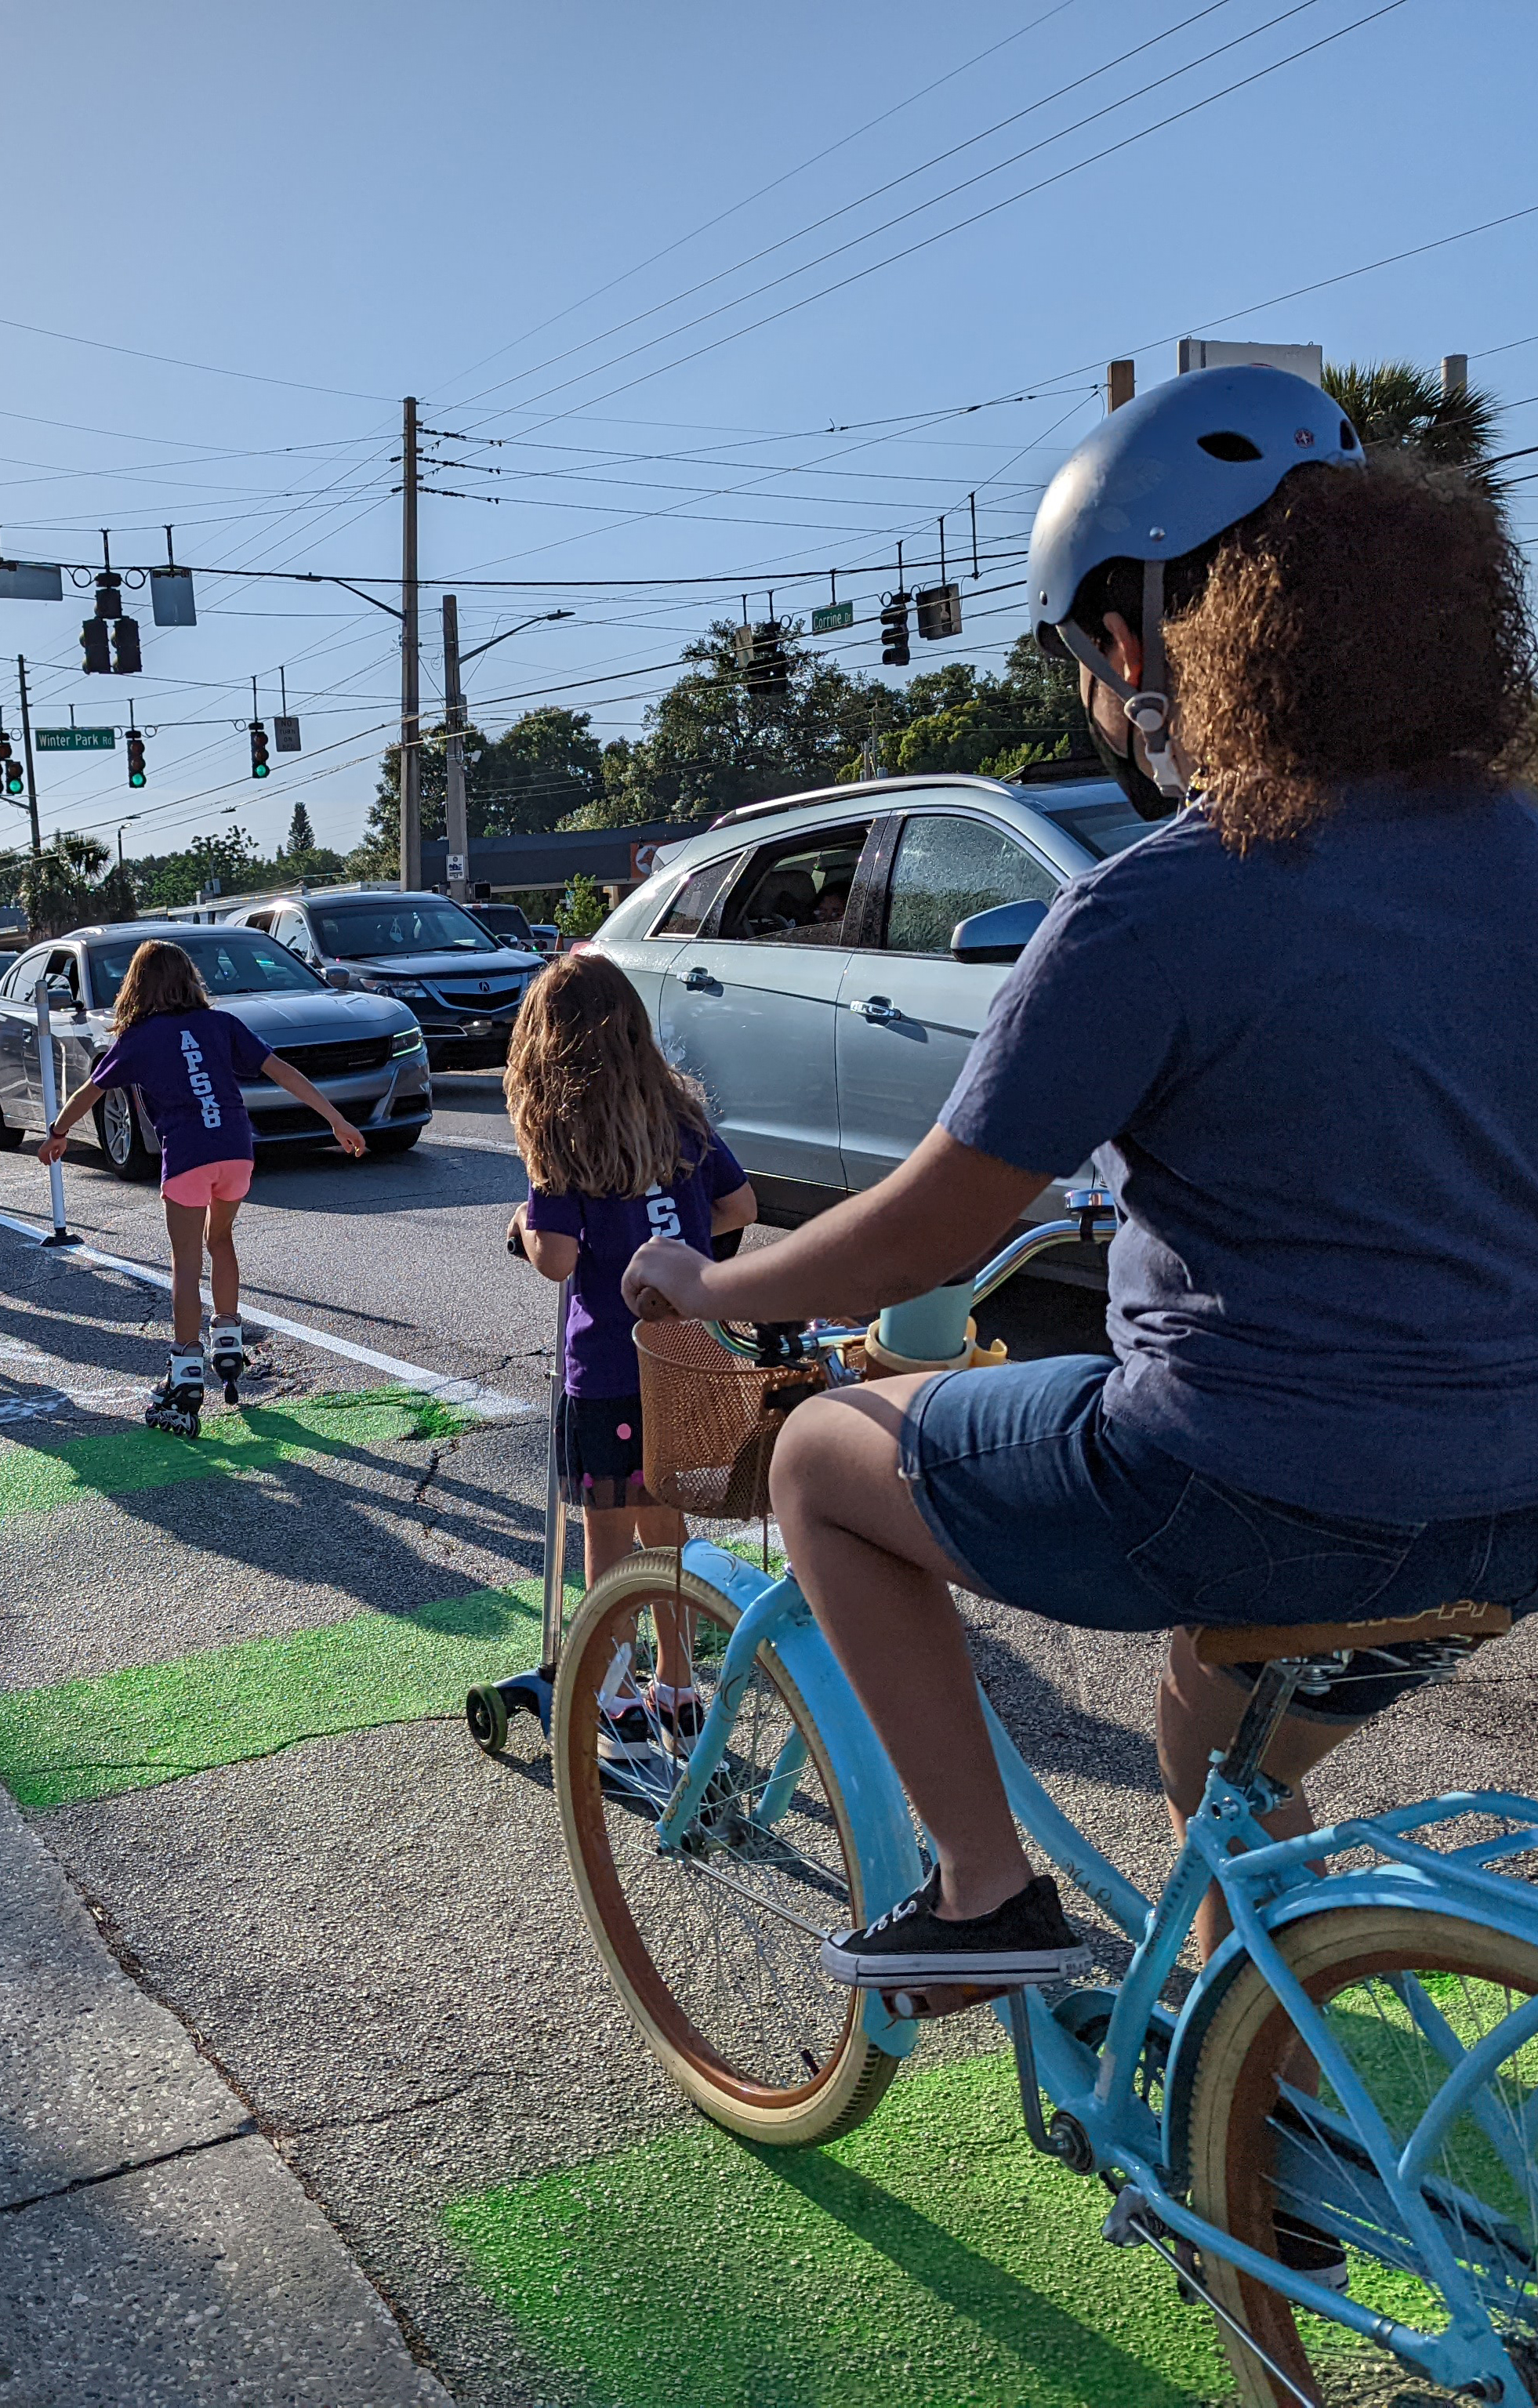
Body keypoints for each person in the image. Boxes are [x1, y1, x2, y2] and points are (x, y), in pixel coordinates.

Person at [622, 367, 1538, 2012]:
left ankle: (982, 1899)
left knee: (828, 1454)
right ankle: (1248, 2081)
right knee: (1215, 1729)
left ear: (1138, 638)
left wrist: (712, 1289)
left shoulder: (1172, 901)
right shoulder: (1520, 850)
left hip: (1250, 1481)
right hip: (1516, 1498)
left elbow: (932, 1228)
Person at [504, 951, 756, 1756]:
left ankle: (616, 1697)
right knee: (669, 1526)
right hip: (689, 1355)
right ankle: (680, 1689)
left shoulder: (564, 1128)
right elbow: (740, 1204)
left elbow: (555, 1258)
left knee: (609, 1534)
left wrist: (523, 1219)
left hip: (610, 1368)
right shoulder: (678, 1115)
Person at [38, 937, 367, 1436]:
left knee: (186, 1265)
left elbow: (90, 1091)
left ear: (137, 986)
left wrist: (59, 1133)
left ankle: (186, 1375)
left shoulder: (139, 1038)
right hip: (236, 1151)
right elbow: (283, 1072)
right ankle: (229, 1339)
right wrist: (337, 1121)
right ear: (191, 979)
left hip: (188, 1158)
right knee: (222, 1241)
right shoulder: (222, 1024)